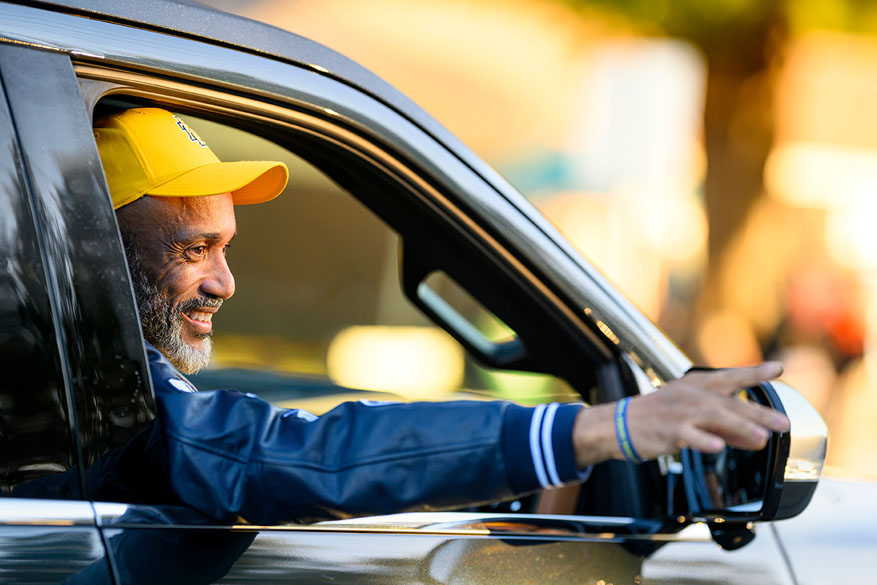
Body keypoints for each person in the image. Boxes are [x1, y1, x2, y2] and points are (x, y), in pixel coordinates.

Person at [93, 107, 789, 525]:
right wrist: (600, 426)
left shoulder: (79, 374)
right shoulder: (99, 387)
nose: (224, 281)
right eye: (194, 248)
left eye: (225, 247)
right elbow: (269, 454)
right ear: (94, 250)